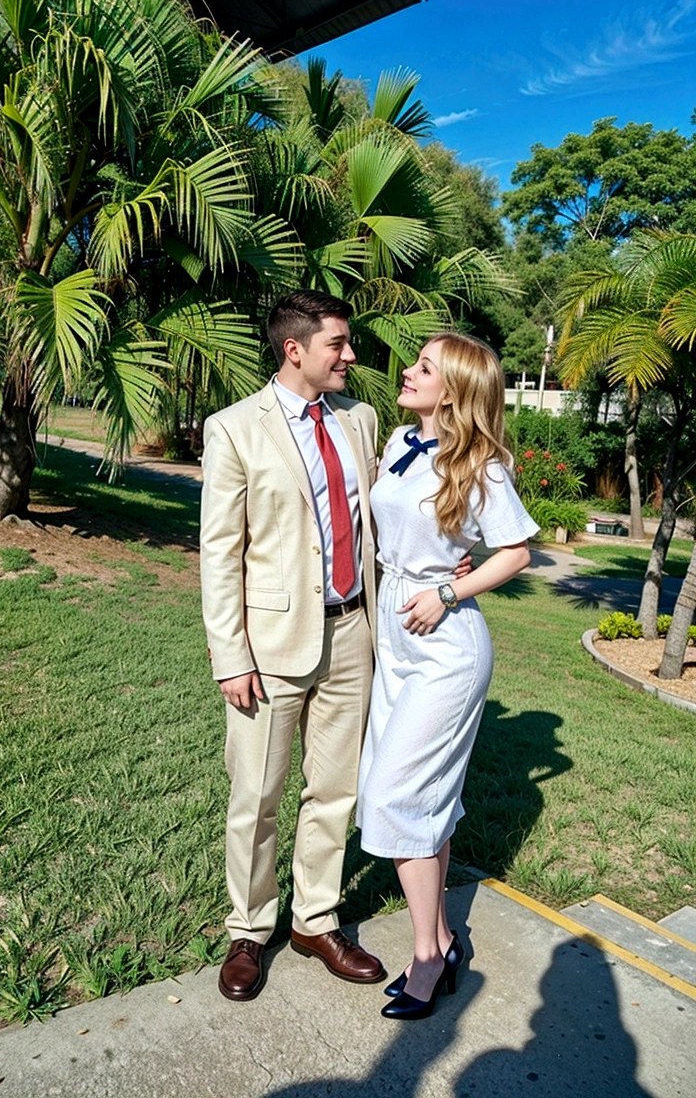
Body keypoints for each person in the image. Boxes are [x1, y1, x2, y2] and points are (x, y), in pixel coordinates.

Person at [201, 290, 474, 1002]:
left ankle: (315, 920)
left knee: (335, 791)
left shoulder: (362, 419)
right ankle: (250, 929)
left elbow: (402, 510)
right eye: (338, 345)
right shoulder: (234, 430)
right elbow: (219, 552)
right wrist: (231, 655)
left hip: (356, 630)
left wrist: (457, 563)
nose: (351, 356)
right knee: (257, 795)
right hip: (269, 643)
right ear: (296, 350)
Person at [357, 332, 539, 1021]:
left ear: (455, 389)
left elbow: (516, 553)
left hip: (446, 644)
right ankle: (440, 942)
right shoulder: (403, 441)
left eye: (425, 366)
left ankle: (429, 958)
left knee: (394, 796)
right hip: (396, 636)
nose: (408, 369)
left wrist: (451, 590)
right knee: (423, 796)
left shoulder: (483, 464)